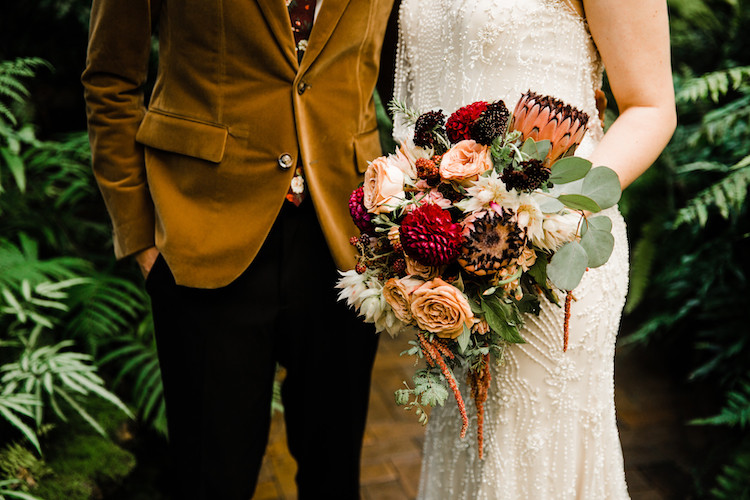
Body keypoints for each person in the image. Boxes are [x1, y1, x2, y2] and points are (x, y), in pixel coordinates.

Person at [82, 0, 396, 497]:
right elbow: (110, 79)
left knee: (335, 476)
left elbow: (406, 77)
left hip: (346, 237)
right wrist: (140, 236)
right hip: (205, 225)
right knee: (212, 478)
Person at [392, 0, 676, 498]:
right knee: (472, 456)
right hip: (451, 263)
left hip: (552, 257)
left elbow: (651, 107)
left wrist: (556, 211)